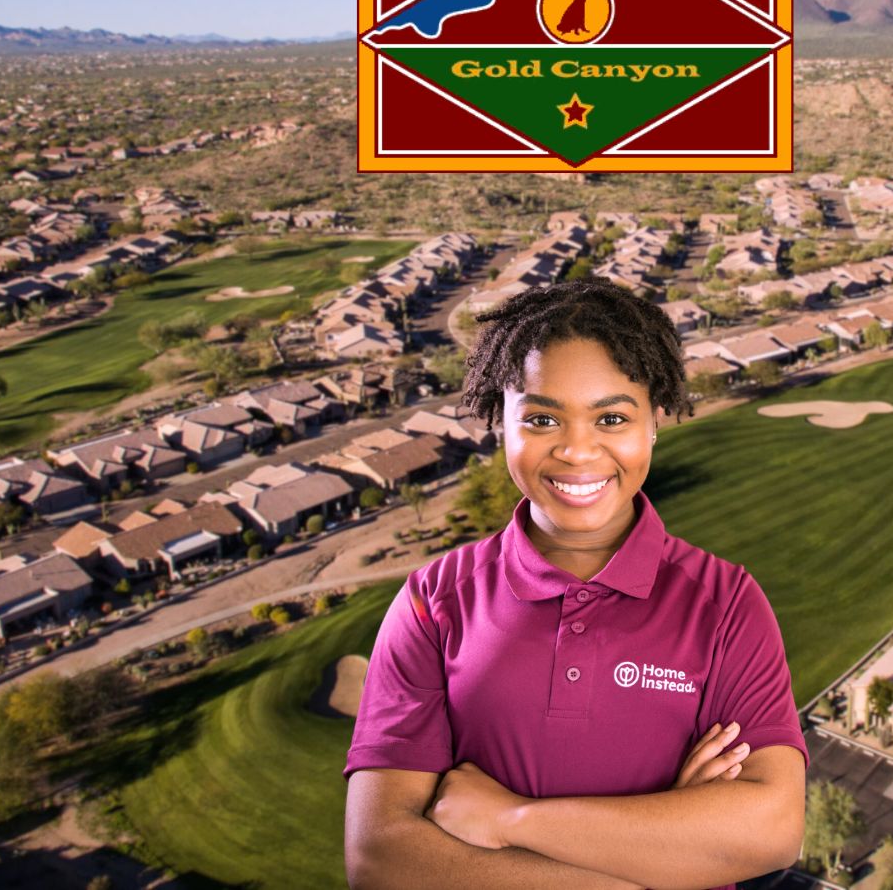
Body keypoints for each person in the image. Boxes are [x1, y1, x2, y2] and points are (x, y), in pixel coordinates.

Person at [343, 277, 807, 889]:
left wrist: (510, 819)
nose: (578, 451)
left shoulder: (725, 603)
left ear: (654, 424)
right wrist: (668, 854)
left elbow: (771, 831)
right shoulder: (435, 600)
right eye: (541, 419)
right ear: (499, 424)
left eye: (611, 417)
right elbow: (381, 861)